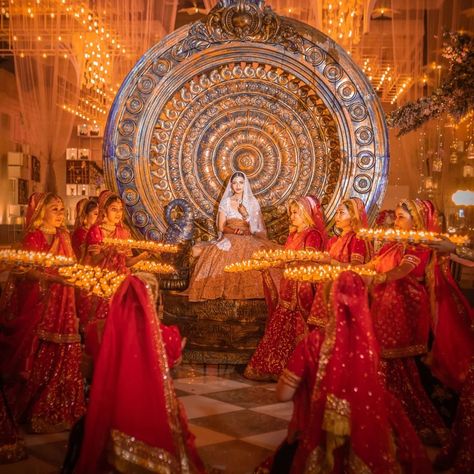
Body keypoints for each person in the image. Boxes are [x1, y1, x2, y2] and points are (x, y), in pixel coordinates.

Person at [263, 271, 430, 474]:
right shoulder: (372, 345)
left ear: (327, 301)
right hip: (363, 436)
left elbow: (283, 394)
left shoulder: (314, 342)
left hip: (316, 431)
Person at [74, 273, 205, 474]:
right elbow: (173, 365)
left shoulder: (97, 330)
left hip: (109, 411)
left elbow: (85, 369)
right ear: (153, 298)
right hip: (156, 409)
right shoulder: (168, 336)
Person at [0, 192, 85, 433]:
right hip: (40, 303)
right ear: (41, 212)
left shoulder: (65, 236)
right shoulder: (34, 237)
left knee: (65, 348)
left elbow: (72, 266)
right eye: (55, 209)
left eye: (62, 209)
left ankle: (62, 404)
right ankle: (33, 407)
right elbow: (26, 271)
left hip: (63, 302)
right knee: (37, 349)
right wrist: (50, 277)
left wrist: (73, 280)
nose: (61, 214)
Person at [366, 199, 448, 444]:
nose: (396, 221)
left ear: (418, 220)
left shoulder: (421, 246)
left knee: (401, 365)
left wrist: (377, 279)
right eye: (397, 216)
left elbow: (404, 271)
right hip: (384, 310)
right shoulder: (392, 245)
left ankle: (407, 417)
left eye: (402, 217)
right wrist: (348, 272)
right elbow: (370, 265)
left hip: (405, 312)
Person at [244, 195, 328, 381]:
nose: (292, 216)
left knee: (298, 327)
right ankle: (276, 367)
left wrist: (281, 260)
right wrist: (269, 264)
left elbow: (308, 259)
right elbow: (287, 260)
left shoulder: (312, 234)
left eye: (296, 212)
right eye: (291, 213)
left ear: (306, 213)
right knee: (281, 327)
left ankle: (297, 370)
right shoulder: (294, 234)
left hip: (302, 287)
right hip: (289, 286)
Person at [188, 171, 280, 301]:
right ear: (231, 185)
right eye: (235, 183)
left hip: (248, 237)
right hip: (230, 235)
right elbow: (221, 227)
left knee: (259, 255)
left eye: (241, 183)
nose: (238, 185)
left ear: (245, 184)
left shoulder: (252, 202)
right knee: (219, 252)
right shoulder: (225, 202)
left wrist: (245, 215)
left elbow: (256, 228)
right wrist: (236, 232)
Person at [82, 190, 149, 362]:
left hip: (121, 282)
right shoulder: (96, 231)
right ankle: (100, 359)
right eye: (114, 209)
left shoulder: (124, 232)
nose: (118, 213)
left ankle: (118, 358)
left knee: (121, 322)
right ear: (104, 210)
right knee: (102, 323)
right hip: (101, 283)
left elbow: (126, 262)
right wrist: (109, 250)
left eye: (120, 209)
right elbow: (94, 259)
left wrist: (142, 257)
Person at [308, 197, 372, 328]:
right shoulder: (335, 240)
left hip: (344, 293)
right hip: (328, 289)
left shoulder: (357, 238)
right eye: (336, 212)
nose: (336, 216)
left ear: (353, 216)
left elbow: (356, 267)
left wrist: (330, 261)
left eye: (341, 213)